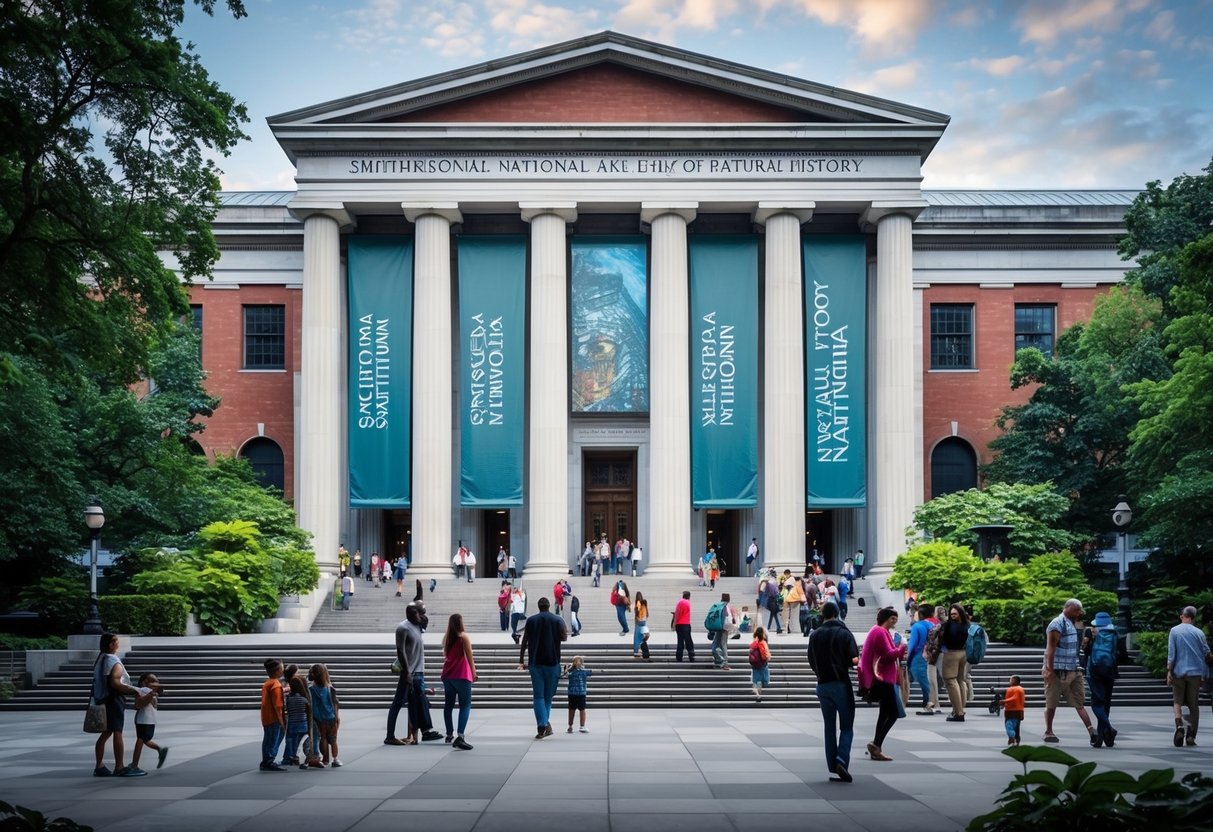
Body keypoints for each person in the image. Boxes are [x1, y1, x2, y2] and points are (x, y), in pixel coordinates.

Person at [807, 601, 859, 782]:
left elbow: (811, 660)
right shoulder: (844, 633)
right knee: (846, 726)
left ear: (823, 614)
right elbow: (854, 659)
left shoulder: (815, 635)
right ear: (837, 614)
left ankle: (832, 764)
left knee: (829, 727)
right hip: (840, 683)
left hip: (822, 685)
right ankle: (841, 760)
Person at [1042, 598, 1098, 745]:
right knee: (1051, 702)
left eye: (1079, 610)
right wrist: (1049, 669)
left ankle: (1092, 730)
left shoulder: (1072, 623)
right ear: (1067, 608)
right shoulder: (1057, 624)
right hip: (1057, 671)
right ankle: (1049, 731)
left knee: (1079, 703)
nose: (1078, 613)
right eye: (1076, 610)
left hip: (1073, 668)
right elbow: (1050, 649)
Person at [858, 607, 907, 762]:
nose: (895, 621)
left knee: (885, 713)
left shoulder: (878, 630)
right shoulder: (880, 632)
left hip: (882, 678)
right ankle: (876, 744)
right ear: (886, 618)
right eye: (893, 618)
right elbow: (888, 655)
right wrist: (902, 647)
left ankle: (876, 746)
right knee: (893, 713)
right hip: (883, 679)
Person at [518, 596, 568, 739]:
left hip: (535, 663)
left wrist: (521, 659)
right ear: (549, 606)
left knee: (538, 696)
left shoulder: (531, 620)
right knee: (548, 697)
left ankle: (542, 724)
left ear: (539, 606)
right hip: (553, 662)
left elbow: (525, 641)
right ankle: (544, 724)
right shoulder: (557, 619)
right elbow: (564, 637)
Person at [1166, 605, 1211, 747]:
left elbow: (1171, 653)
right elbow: (1206, 653)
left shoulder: (1174, 631)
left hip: (1179, 671)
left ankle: (1179, 725)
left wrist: (1169, 670)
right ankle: (1191, 736)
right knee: (1193, 705)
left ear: (1182, 616)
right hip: (1196, 673)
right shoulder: (1199, 633)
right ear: (1193, 618)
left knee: (1177, 700)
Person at [1082, 611, 1122, 748]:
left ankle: (1109, 729)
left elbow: (1085, 652)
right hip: (1110, 672)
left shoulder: (1091, 633)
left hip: (1094, 672)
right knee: (1105, 704)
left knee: (1096, 704)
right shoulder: (1116, 634)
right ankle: (1103, 739)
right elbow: (1122, 655)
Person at [441, 613, 477, 750]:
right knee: (465, 705)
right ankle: (460, 735)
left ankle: (449, 734)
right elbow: (470, 657)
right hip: (461, 674)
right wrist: (474, 674)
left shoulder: (447, 638)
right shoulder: (463, 637)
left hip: (448, 675)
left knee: (448, 705)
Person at [128, 672, 168, 774]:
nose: (154, 684)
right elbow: (138, 704)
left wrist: (151, 692)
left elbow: (138, 705)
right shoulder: (143, 691)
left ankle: (134, 765)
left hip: (144, 720)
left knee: (141, 740)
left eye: (155, 682)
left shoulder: (150, 692)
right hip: (146, 720)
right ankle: (160, 750)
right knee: (145, 739)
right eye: (151, 681)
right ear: (143, 682)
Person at [939, 603, 969, 722]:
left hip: (951, 653)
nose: (952, 616)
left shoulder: (949, 625)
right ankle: (960, 709)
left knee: (951, 682)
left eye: (954, 614)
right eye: (951, 614)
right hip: (964, 654)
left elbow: (943, 638)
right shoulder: (967, 625)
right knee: (961, 681)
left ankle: (958, 712)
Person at [307, 663, 340, 768]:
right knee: (333, 740)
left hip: (319, 718)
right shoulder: (330, 688)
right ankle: (335, 759)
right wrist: (337, 716)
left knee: (323, 738)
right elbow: (335, 703)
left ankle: (325, 760)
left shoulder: (311, 689)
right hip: (331, 717)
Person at [258, 657, 287, 771]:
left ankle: (266, 760)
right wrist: (282, 722)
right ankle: (269, 760)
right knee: (275, 738)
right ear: (277, 670)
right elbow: (278, 706)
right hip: (274, 718)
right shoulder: (276, 685)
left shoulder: (268, 683)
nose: (283, 671)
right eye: (281, 668)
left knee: (267, 739)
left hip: (266, 717)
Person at [907, 604, 935, 715]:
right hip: (930, 654)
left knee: (922, 679)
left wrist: (908, 657)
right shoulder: (932, 625)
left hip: (918, 655)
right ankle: (928, 702)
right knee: (926, 678)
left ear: (920, 614)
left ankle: (927, 702)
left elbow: (912, 644)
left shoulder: (917, 627)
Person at [281, 676, 313, 766]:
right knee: (303, 741)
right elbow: (308, 712)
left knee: (291, 742)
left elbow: (287, 709)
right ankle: (308, 756)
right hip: (303, 724)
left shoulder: (289, 698)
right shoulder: (304, 699)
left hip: (292, 724)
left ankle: (292, 757)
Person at [563, 656, 594, 733]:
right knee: (582, 710)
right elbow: (591, 672)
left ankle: (570, 726)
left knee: (571, 710)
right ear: (582, 663)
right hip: (581, 693)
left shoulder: (570, 672)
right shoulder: (584, 671)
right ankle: (582, 726)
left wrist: (567, 668)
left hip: (572, 693)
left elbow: (565, 674)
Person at [709, 592, 738, 670]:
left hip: (719, 627)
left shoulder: (719, 605)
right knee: (723, 645)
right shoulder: (726, 606)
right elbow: (728, 618)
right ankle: (724, 663)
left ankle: (719, 660)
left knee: (715, 645)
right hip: (724, 628)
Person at [748, 626, 771, 702]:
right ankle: (759, 691)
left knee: (756, 679)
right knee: (764, 678)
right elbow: (765, 654)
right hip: (762, 663)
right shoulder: (763, 643)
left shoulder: (754, 643)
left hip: (755, 664)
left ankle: (756, 692)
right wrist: (768, 657)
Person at [1003, 675, 1026, 746]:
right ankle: (1016, 739)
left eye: (1010, 680)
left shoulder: (1017, 689)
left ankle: (1012, 736)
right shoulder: (1018, 689)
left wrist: (1004, 701)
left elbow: (1014, 698)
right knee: (1016, 726)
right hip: (1016, 711)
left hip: (1013, 711)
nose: (1009, 681)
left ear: (1014, 681)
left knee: (1009, 724)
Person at [674, 590, 695, 662]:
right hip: (686, 624)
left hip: (679, 624)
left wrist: (674, 623)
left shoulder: (679, 602)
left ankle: (679, 656)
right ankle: (691, 654)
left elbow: (677, 613)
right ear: (689, 596)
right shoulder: (688, 603)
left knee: (680, 640)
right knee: (688, 639)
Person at [632, 591, 651, 661]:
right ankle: (644, 651)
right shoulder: (644, 604)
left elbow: (637, 615)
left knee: (637, 638)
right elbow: (646, 614)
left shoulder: (638, 604)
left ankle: (636, 652)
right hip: (643, 622)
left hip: (639, 622)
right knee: (643, 637)